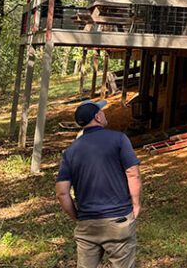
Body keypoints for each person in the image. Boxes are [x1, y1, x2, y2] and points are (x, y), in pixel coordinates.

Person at [55, 99, 142, 268]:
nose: (104, 113)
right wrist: (136, 204)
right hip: (118, 220)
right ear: (97, 117)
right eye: (102, 112)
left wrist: (79, 217)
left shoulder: (70, 151)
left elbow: (62, 193)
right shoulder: (119, 139)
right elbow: (133, 173)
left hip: (87, 224)